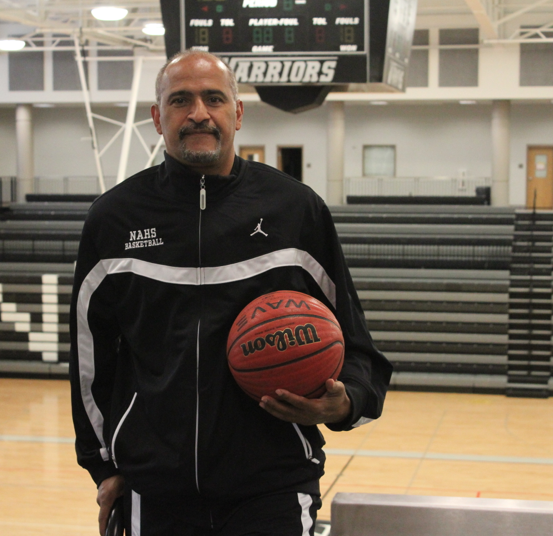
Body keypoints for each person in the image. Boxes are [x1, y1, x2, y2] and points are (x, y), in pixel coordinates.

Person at [69, 50, 392, 536]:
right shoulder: (114, 219)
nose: (198, 112)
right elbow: (90, 361)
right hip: (155, 489)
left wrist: (344, 404)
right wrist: (105, 465)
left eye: (213, 98)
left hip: (273, 486)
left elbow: (356, 345)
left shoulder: (295, 210)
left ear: (237, 113)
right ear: (158, 118)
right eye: (180, 100)